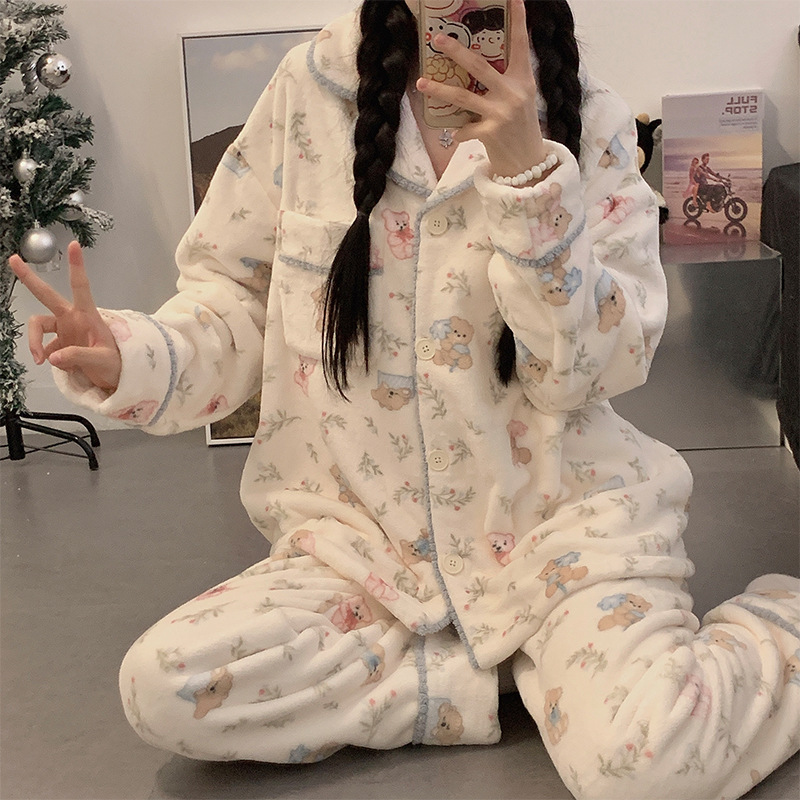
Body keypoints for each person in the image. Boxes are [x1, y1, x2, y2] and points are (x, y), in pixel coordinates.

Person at [9, 0, 799, 797]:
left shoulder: (588, 115)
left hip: (559, 538)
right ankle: (500, 674)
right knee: (167, 688)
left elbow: (596, 367)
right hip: (365, 553)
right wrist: (128, 356)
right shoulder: (309, 91)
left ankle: (778, 629)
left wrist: (529, 177)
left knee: (648, 769)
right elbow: (233, 304)